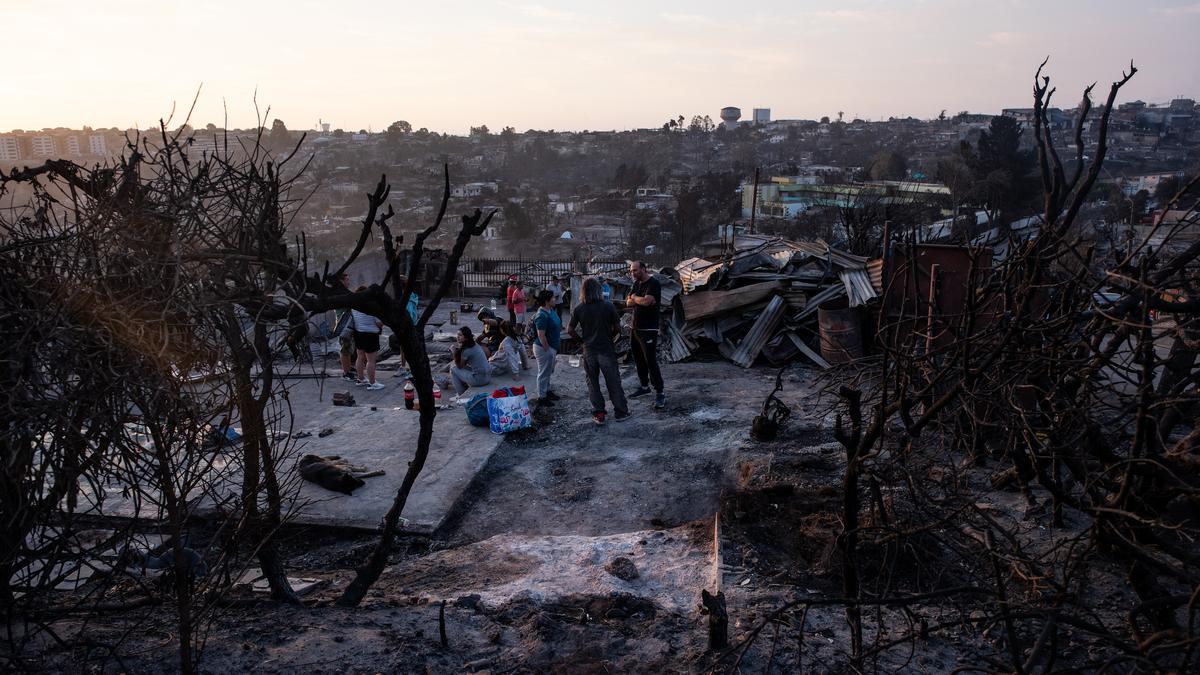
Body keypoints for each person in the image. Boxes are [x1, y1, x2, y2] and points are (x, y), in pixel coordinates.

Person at [568, 277, 630, 425]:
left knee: (593, 383)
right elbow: (618, 329)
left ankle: (599, 414)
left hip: (589, 351)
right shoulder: (608, 306)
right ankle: (621, 412)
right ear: (599, 290)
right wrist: (612, 338)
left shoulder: (579, 308)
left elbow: (570, 330)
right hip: (606, 350)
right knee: (613, 381)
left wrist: (581, 341)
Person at [627, 261, 666, 409]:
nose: (633, 273)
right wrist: (639, 300)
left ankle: (660, 392)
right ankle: (644, 386)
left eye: (635, 270)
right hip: (635, 328)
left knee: (650, 361)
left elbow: (646, 301)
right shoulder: (636, 284)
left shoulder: (653, 283)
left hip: (648, 329)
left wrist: (636, 299)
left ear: (644, 269)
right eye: (631, 271)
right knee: (638, 360)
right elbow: (628, 302)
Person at [350, 287, 385, 390]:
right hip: (370, 334)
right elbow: (379, 323)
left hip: (358, 333)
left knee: (360, 356)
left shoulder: (354, 306)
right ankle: (372, 383)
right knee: (371, 360)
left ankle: (360, 379)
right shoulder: (371, 307)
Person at [532, 289, 561, 404]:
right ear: (547, 301)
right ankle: (542, 396)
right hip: (543, 348)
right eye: (553, 298)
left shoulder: (550, 310)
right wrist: (547, 350)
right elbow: (541, 335)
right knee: (543, 372)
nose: (555, 299)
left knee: (549, 371)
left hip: (552, 346)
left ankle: (547, 390)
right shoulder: (541, 315)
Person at [449, 326, 492, 398]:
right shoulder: (474, 344)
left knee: (453, 370)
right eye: (457, 335)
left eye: (460, 335)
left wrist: (454, 352)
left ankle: (462, 395)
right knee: (461, 368)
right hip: (488, 377)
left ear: (466, 337)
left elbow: (460, 366)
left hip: (480, 380)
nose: (457, 337)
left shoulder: (467, 350)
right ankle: (464, 388)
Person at [334, 273, 356, 381]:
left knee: (348, 349)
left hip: (347, 325)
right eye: (347, 280)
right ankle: (346, 372)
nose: (348, 282)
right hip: (344, 325)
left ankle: (349, 369)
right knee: (344, 350)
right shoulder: (340, 294)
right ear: (341, 281)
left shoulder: (342, 293)